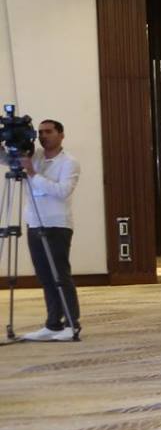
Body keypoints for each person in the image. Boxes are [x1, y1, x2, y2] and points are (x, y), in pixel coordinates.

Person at [19, 117, 80, 341]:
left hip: (57, 225)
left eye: (48, 131)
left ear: (61, 135)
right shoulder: (34, 156)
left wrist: (33, 174)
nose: (43, 136)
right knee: (45, 276)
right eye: (40, 132)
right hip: (34, 222)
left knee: (60, 275)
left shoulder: (69, 162)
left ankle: (72, 324)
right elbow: (8, 160)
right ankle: (53, 324)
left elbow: (62, 191)